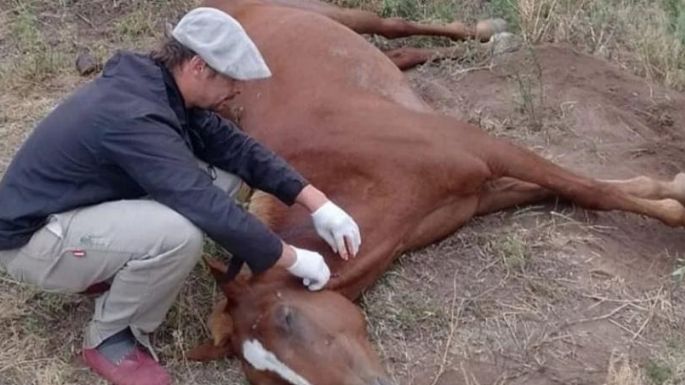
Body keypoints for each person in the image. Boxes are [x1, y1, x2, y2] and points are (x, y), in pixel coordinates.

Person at [0, 7, 361, 385]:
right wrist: (290, 258)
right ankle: (111, 337)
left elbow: (236, 149)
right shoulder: (135, 116)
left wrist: (318, 203)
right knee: (178, 235)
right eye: (231, 80)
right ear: (198, 67)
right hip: (35, 241)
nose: (236, 90)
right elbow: (197, 200)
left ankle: (112, 264)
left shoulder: (160, 85)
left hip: (77, 208)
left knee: (223, 177)